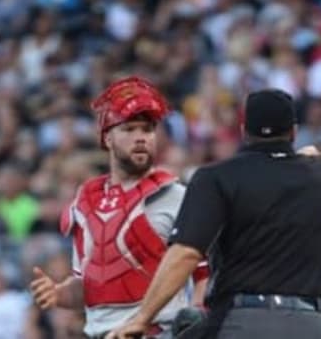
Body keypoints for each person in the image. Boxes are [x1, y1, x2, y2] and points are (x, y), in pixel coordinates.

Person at [107, 89, 321, 339]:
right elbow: (310, 157)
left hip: (243, 322)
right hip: (313, 325)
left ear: (243, 131)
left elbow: (186, 254)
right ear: (294, 131)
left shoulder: (216, 178)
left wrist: (142, 318)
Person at [29, 76, 208, 339]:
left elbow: (203, 269)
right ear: (108, 138)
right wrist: (58, 294)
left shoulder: (176, 196)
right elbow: (91, 286)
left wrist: (197, 314)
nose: (140, 138)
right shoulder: (85, 204)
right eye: (129, 129)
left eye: (147, 130)